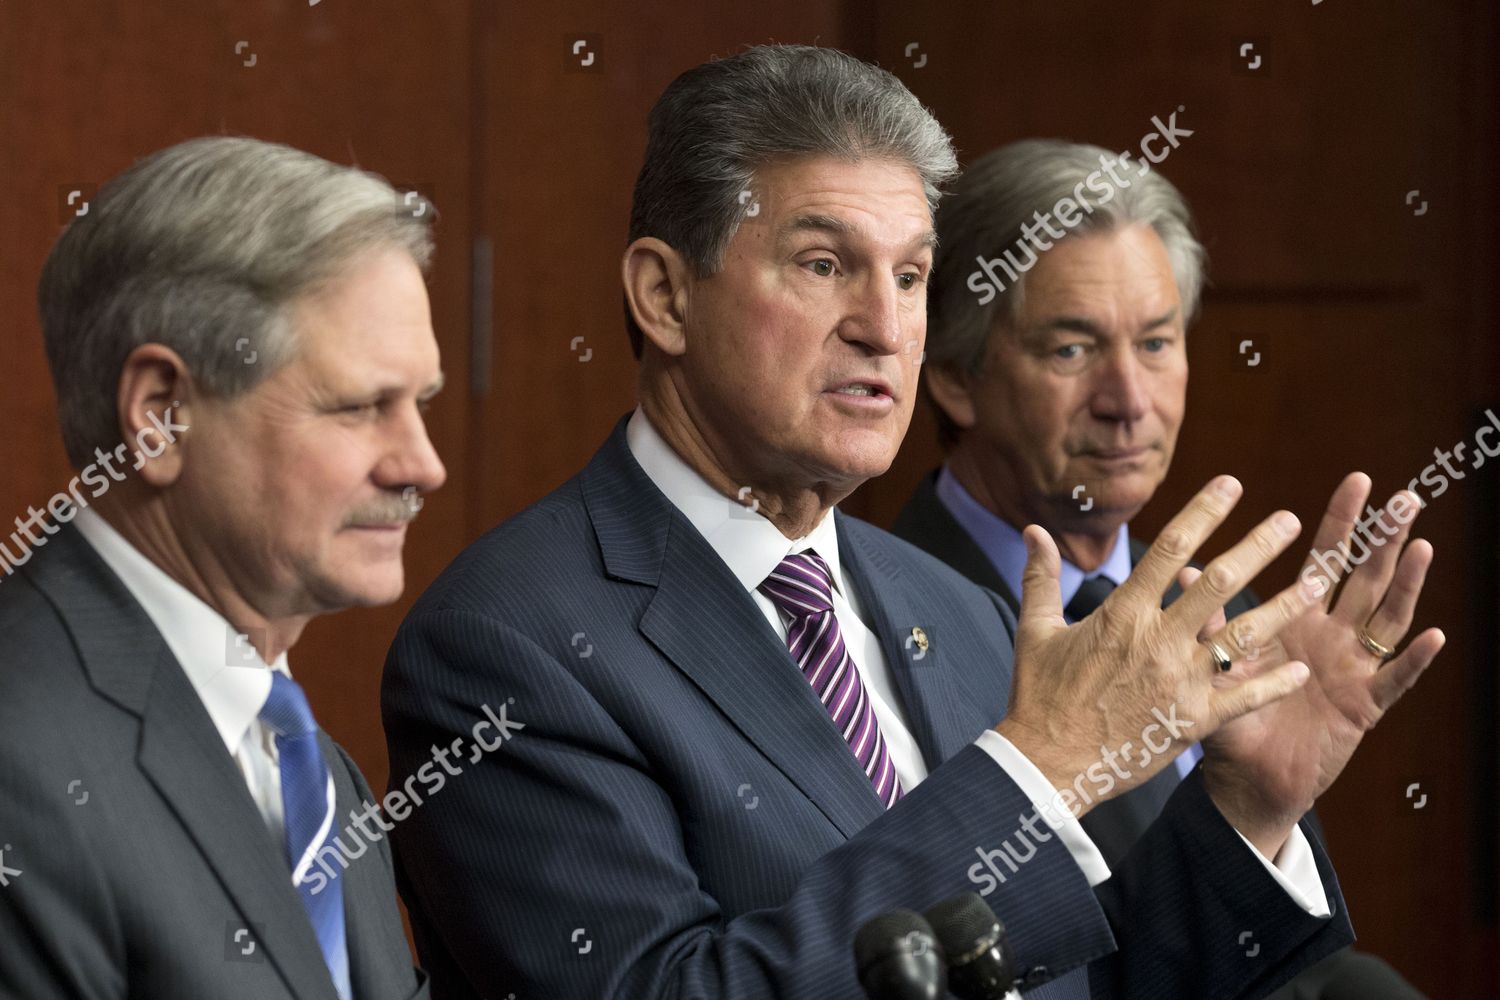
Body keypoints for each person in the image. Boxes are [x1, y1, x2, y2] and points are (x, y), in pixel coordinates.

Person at [383, 45, 1442, 1000]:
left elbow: (1089, 981)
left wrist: (1248, 808)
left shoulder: (960, 608)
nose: (885, 329)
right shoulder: (504, 645)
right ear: (664, 296)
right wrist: (1041, 769)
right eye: (823, 264)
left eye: (910, 275)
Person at [892, 139, 1427, 996]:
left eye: (1155, 342)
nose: (1129, 400)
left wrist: (1258, 813)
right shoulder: (877, 624)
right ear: (956, 377)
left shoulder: (1223, 612)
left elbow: (1289, 972)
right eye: (1072, 350)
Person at [0, 136, 445, 1000]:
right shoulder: (21, 764)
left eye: (419, 403)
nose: (422, 466)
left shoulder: (315, 769)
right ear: (162, 417)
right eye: (361, 407)